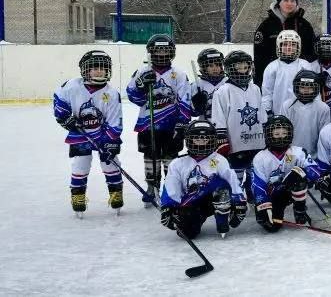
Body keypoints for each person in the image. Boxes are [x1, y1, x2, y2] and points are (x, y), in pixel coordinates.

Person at [54, 50, 124, 217]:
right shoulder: (72, 86)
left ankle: (116, 194)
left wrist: (109, 142)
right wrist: (64, 118)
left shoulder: (112, 94)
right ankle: (77, 196)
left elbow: (115, 122)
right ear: (85, 70)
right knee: (81, 164)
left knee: (111, 163)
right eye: (94, 68)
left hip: (103, 134)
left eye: (103, 68)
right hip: (80, 134)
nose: (99, 71)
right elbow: (59, 100)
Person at [126, 34, 193, 204]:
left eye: (166, 50)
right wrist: (141, 87)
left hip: (171, 125)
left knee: (171, 157)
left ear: (172, 53)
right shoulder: (142, 72)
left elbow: (185, 99)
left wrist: (182, 123)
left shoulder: (178, 74)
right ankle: (152, 186)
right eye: (158, 50)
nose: (162, 54)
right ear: (150, 52)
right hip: (147, 124)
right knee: (150, 156)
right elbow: (133, 96)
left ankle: (170, 187)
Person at [160, 120, 246, 239]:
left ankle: (222, 223)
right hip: (192, 201)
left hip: (212, 199)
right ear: (189, 140)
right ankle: (197, 219)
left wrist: (239, 203)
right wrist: (168, 207)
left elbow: (232, 181)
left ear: (212, 140)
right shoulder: (178, 163)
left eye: (205, 139)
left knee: (221, 188)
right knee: (187, 232)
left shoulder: (218, 160)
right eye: (197, 139)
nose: (201, 143)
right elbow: (171, 187)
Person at [252, 115, 321, 232]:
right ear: (269, 135)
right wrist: (262, 205)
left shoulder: (298, 152)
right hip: (273, 196)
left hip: (289, 192)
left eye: (284, 133)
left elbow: (315, 171)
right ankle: (273, 212)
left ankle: (299, 210)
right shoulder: (260, 157)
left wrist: (301, 171)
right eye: (277, 134)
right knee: (272, 227)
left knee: (298, 176)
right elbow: (258, 186)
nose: (281, 137)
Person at [209, 50, 266, 187]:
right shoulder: (223, 91)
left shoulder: (255, 89)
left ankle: (254, 194)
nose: (242, 71)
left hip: (257, 141)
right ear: (229, 69)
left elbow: (261, 113)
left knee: (255, 173)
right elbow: (219, 117)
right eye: (238, 67)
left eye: (245, 67)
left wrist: (266, 131)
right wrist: (222, 139)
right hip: (236, 143)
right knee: (236, 176)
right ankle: (236, 198)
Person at [253, 0, 317, 86]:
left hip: (299, 79)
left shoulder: (304, 25)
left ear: (296, 3)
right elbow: (259, 57)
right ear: (279, 2)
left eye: (292, 1)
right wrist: (260, 81)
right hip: (274, 77)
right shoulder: (266, 25)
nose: (289, 3)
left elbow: (311, 52)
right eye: (286, 0)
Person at [260, 29, 313, 116]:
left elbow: (313, 92)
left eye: (293, 45)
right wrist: (267, 111)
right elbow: (267, 93)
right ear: (279, 46)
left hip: (302, 115)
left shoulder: (305, 65)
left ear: (298, 47)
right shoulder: (272, 67)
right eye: (285, 44)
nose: (289, 47)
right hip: (279, 113)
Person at [282, 70, 331, 157]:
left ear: (315, 89)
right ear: (297, 88)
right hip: (290, 154)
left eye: (310, 87)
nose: (306, 90)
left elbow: (324, 136)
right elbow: (283, 132)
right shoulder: (287, 105)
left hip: (314, 156)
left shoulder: (323, 108)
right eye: (302, 87)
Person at [190, 48, 226, 120]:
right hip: (205, 125)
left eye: (218, 65)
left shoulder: (227, 83)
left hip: (226, 124)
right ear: (204, 67)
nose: (215, 69)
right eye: (211, 66)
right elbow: (193, 113)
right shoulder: (197, 85)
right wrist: (196, 106)